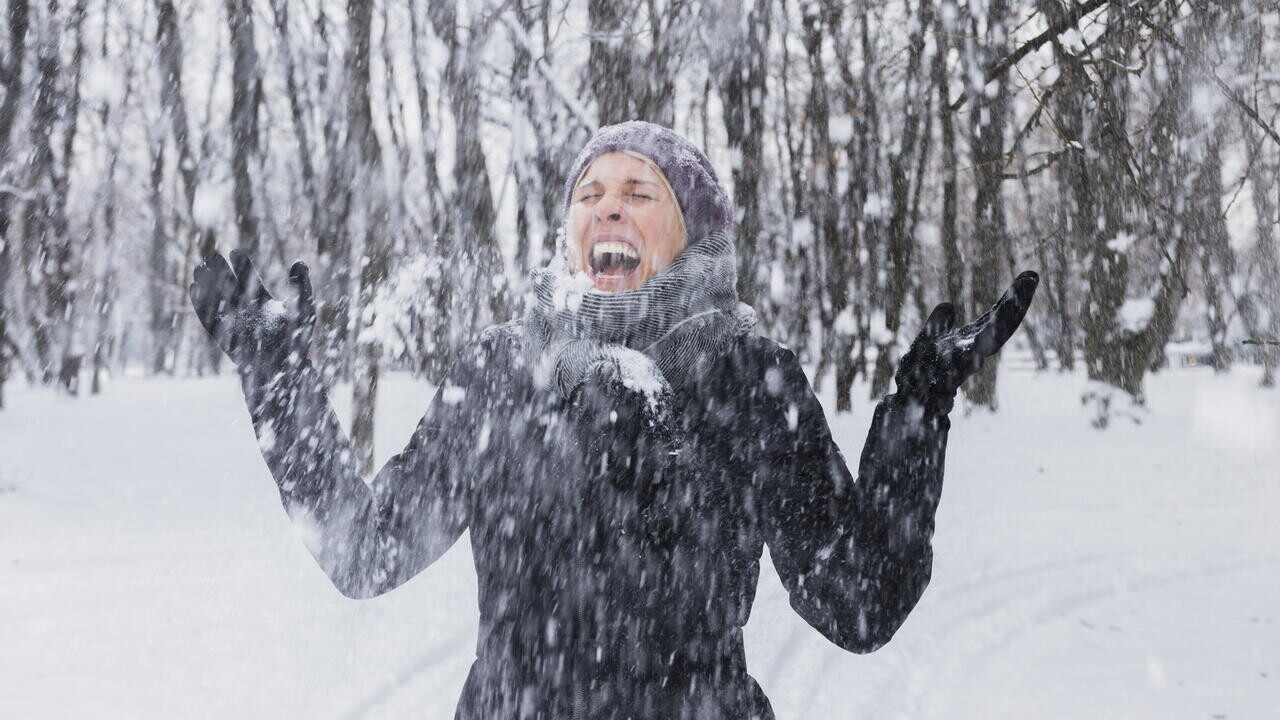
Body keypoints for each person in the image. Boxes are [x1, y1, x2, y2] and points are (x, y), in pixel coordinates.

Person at [189, 120, 1038, 719]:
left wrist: (920, 408)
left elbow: (859, 603)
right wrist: (279, 381)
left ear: (692, 228)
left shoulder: (746, 378)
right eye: (589, 192)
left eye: (640, 191)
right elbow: (363, 550)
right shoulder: (501, 372)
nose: (608, 207)